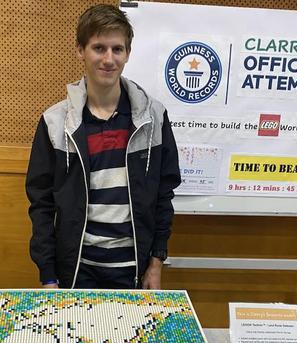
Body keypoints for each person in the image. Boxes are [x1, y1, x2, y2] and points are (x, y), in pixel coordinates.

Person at [26, 4, 181, 290]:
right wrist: (48, 275)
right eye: (99, 48)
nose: (109, 59)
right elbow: (42, 205)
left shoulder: (154, 118)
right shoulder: (55, 122)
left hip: (133, 269)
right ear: (80, 50)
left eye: (117, 49)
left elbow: (163, 195)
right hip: (75, 270)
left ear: (128, 53)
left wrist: (156, 263)